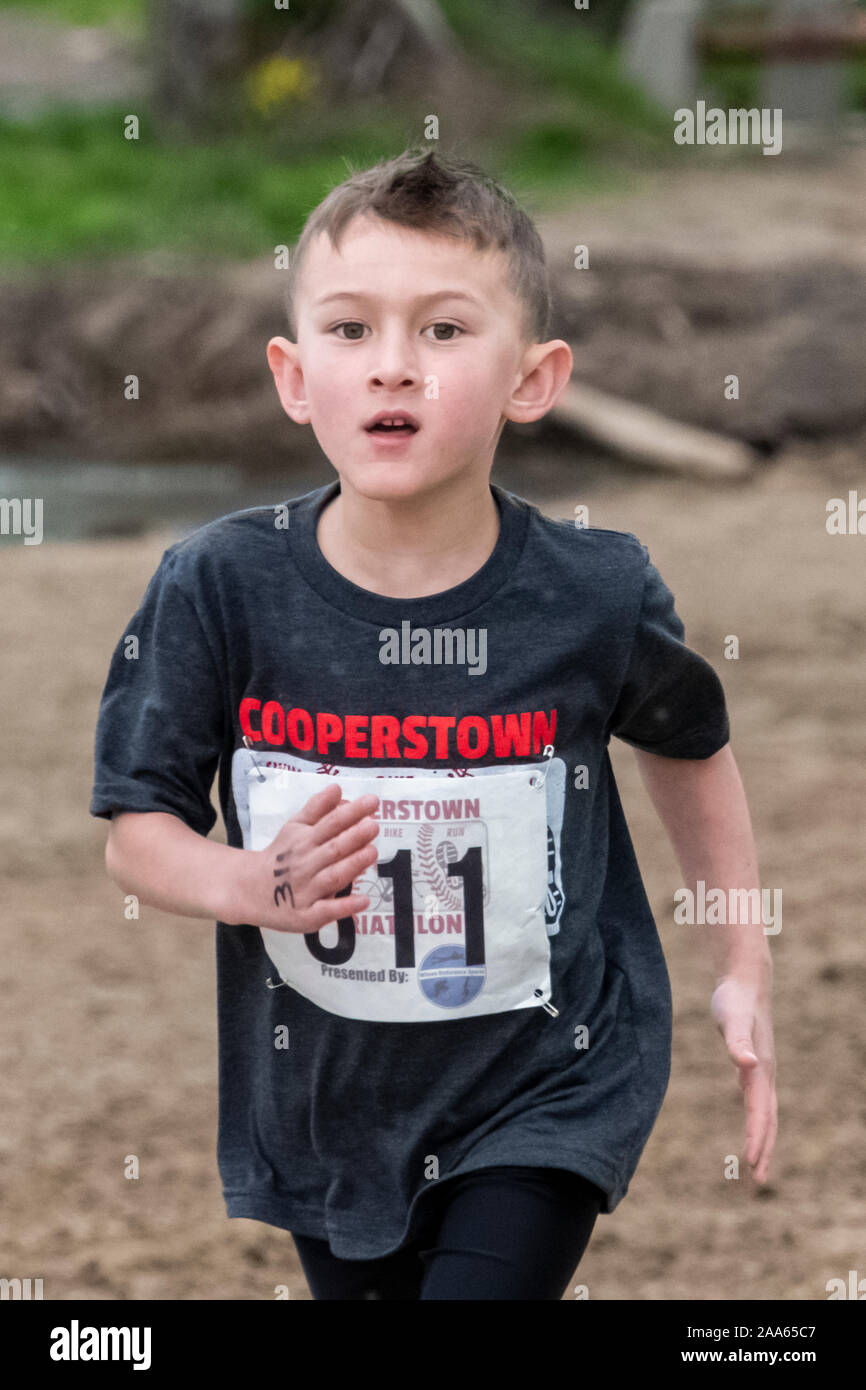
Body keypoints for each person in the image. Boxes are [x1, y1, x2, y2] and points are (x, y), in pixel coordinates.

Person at [90, 147, 777, 1301]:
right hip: (324, 1097)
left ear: (535, 377)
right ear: (293, 374)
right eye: (349, 331)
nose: (391, 369)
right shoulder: (216, 585)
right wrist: (253, 884)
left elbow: (689, 749)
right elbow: (135, 832)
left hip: (546, 1082)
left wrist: (739, 967)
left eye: (444, 331)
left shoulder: (591, 592)